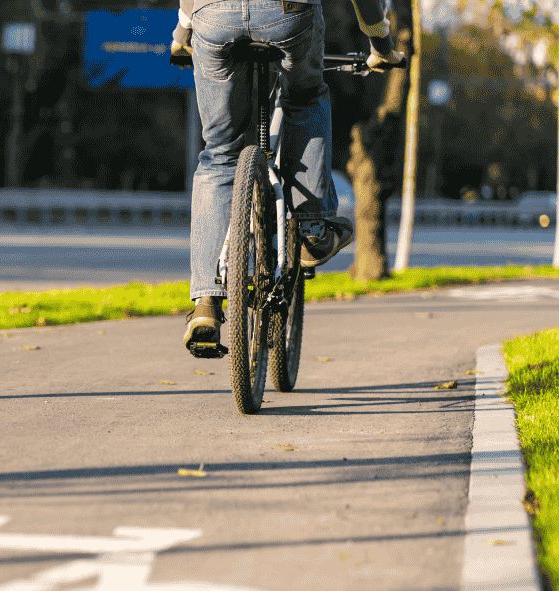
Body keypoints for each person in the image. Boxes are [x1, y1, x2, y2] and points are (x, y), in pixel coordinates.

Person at [171, 0, 404, 358]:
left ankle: (205, 301)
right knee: (306, 98)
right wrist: (381, 45)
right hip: (285, 13)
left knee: (219, 152)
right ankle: (312, 230)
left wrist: (183, 35)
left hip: (212, 14)